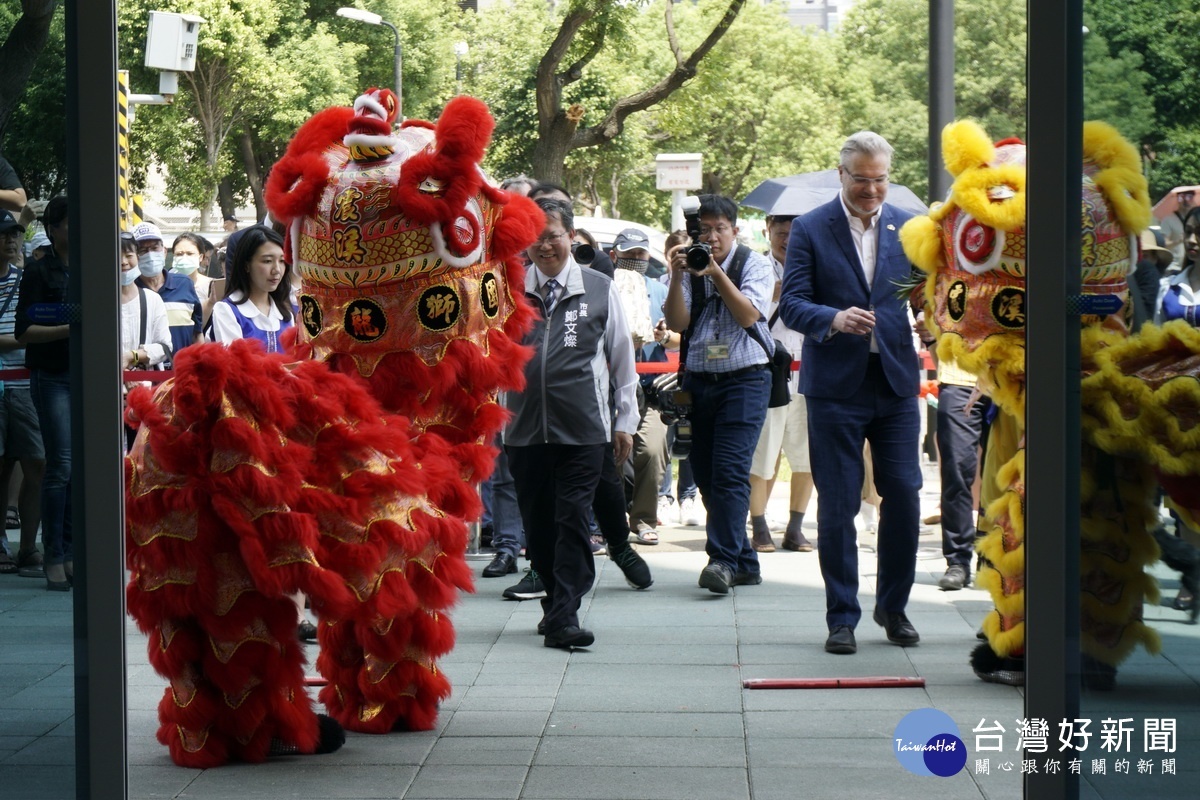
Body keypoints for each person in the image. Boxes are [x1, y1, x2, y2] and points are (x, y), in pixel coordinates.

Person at [779, 131, 923, 655]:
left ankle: (895, 607)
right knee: (837, 505)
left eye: (880, 179)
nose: (871, 189)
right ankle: (842, 616)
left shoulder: (909, 229)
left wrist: (934, 319)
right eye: (861, 179)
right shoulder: (812, 229)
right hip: (835, 388)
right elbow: (792, 303)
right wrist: (834, 318)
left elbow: (925, 292)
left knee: (904, 495)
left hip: (896, 383)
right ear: (841, 175)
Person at [505, 197, 638, 649]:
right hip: (523, 430)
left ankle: (566, 614)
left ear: (571, 238)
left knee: (573, 519)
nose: (545, 246)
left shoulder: (599, 288)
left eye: (553, 236)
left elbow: (622, 359)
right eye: (535, 238)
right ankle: (554, 608)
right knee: (538, 525)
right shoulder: (506, 290)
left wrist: (625, 420)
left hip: (583, 429)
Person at [664, 195, 773, 595]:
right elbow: (677, 323)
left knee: (728, 471)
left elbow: (748, 314)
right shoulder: (688, 266)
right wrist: (678, 275)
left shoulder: (754, 264)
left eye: (719, 229)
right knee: (707, 475)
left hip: (745, 380)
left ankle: (722, 561)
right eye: (703, 230)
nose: (711, 237)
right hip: (698, 382)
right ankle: (744, 560)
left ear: (734, 230)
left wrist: (715, 273)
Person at [14, 196, 72, 591]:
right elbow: (24, 332)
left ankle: (71, 552)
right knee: (61, 465)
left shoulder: (95, 266)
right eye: (68, 223)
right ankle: (52, 553)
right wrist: (71, 327)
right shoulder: (37, 271)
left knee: (84, 469)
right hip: (52, 376)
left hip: (90, 376)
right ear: (52, 228)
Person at [748, 214, 814, 553]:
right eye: (781, 232)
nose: (787, 240)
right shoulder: (756, 268)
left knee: (806, 455)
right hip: (770, 371)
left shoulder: (814, 266)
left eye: (794, 233)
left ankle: (796, 527)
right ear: (768, 232)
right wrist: (773, 293)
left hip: (810, 373)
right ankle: (759, 526)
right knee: (764, 453)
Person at [610, 227, 668, 545]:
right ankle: (613, 519)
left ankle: (644, 519)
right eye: (628, 254)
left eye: (640, 254)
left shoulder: (659, 291)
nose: (634, 260)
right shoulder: (606, 288)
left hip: (650, 387)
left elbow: (676, 334)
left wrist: (664, 335)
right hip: (615, 385)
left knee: (652, 448)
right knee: (615, 452)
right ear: (614, 255)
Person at [0, 210, 45, 579]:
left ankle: (29, 546)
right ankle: (2, 545)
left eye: (14, 234)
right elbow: (29, 333)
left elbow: (32, 329)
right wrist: (24, 337)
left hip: (26, 385)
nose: (10, 240)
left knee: (37, 464)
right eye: (3, 235)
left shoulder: (25, 279)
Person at [210, 225, 294, 352]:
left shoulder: (285, 314)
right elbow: (234, 365)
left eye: (282, 261)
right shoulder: (227, 311)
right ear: (246, 265)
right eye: (267, 261)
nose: (277, 270)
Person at [131, 222, 202, 364]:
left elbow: (197, 334)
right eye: (143, 250)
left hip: (181, 376)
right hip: (144, 378)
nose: (150, 254)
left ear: (164, 251)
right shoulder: (130, 290)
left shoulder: (184, 284)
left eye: (154, 247)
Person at [171, 232, 217, 327]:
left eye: (190, 254)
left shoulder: (212, 285)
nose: (184, 258)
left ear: (200, 257)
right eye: (179, 254)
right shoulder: (165, 286)